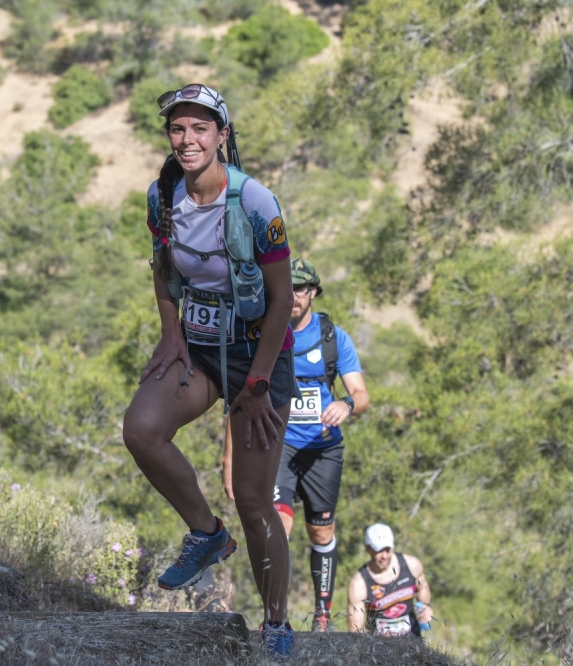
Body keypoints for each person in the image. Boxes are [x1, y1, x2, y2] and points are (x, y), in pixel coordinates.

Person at [122, 82, 299, 659]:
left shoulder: (256, 203)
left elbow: (280, 303)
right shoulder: (162, 195)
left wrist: (256, 385)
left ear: (223, 136)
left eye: (201, 128)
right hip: (198, 348)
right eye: (178, 128)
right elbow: (162, 271)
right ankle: (205, 533)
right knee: (142, 430)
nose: (188, 138)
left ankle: (277, 623)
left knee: (253, 499)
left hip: (258, 356)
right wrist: (170, 332)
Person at [223, 257, 369, 632]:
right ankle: (277, 615)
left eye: (301, 289)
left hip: (323, 449)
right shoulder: (263, 334)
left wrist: (346, 405)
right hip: (280, 445)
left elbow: (361, 394)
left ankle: (322, 614)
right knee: (276, 525)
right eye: (288, 288)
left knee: (321, 531)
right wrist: (230, 459)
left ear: (314, 293)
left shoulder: (333, 338)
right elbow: (240, 396)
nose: (294, 296)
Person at [347, 523, 434, 637]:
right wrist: (376, 637)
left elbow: (423, 587)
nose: (384, 556)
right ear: (368, 548)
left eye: (387, 550)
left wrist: (425, 607)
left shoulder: (411, 564)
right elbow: (355, 631)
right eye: (379, 551)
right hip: (380, 648)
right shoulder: (359, 584)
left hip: (413, 640)